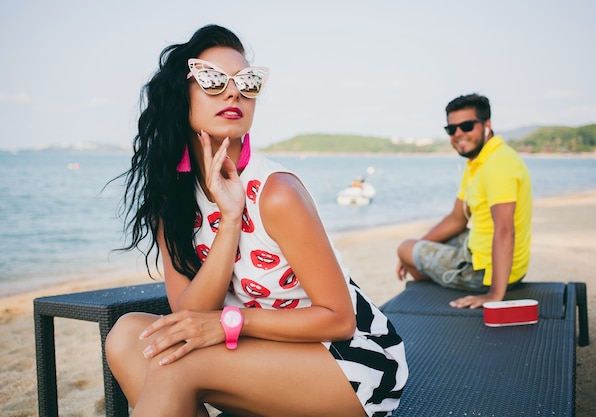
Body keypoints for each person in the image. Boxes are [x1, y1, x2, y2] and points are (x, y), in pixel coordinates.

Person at [105, 24, 407, 417]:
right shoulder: (173, 200)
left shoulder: (276, 192)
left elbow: (338, 320)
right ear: (182, 95)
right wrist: (229, 222)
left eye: (248, 83)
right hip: (260, 354)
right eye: (212, 80)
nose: (234, 92)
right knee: (127, 336)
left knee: (178, 363)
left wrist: (230, 322)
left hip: (350, 363)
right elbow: (189, 315)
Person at [396, 93, 532, 309]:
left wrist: (494, 294)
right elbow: (457, 219)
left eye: (467, 126)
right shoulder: (479, 161)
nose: (458, 134)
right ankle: (425, 260)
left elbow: (505, 229)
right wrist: (421, 246)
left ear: (487, 124)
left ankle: (447, 275)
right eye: (452, 129)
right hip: (479, 249)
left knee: (403, 248)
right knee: (413, 250)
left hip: (484, 273)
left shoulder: (498, 164)